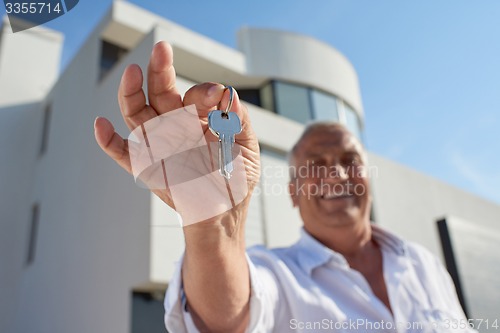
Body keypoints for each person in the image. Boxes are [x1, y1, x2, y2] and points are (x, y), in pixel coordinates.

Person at [94, 41, 476, 333]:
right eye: (317, 166)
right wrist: (215, 228)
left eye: (349, 162)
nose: (338, 176)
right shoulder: (277, 276)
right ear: (293, 193)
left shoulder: (425, 266)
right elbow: (231, 316)